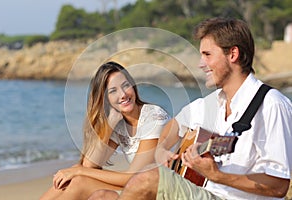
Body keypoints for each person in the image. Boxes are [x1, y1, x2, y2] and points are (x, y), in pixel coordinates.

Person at [89, 17, 292, 200]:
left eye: (207, 55)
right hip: (203, 192)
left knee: (147, 179)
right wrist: (161, 150)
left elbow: (278, 185)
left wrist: (218, 176)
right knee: (101, 196)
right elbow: (174, 125)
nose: (200, 64)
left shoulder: (272, 105)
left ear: (233, 54)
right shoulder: (212, 103)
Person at [40, 61, 170, 200]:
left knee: (80, 182)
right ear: (105, 99)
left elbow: (133, 176)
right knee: (73, 179)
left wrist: (79, 170)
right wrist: (110, 123)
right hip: (140, 187)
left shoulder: (153, 116)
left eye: (126, 85)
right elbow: (90, 164)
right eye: (113, 91)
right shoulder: (120, 123)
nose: (123, 94)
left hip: (164, 190)